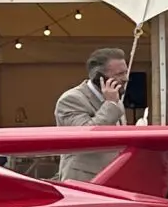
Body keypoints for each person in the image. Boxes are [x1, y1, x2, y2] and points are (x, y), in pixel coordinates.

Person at [53, 45, 130, 181]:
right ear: (98, 77)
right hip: (84, 178)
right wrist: (110, 104)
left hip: (114, 176)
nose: (125, 79)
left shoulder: (115, 99)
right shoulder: (71, 100)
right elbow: (87, 135)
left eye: (125, 72)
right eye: (119, 74)